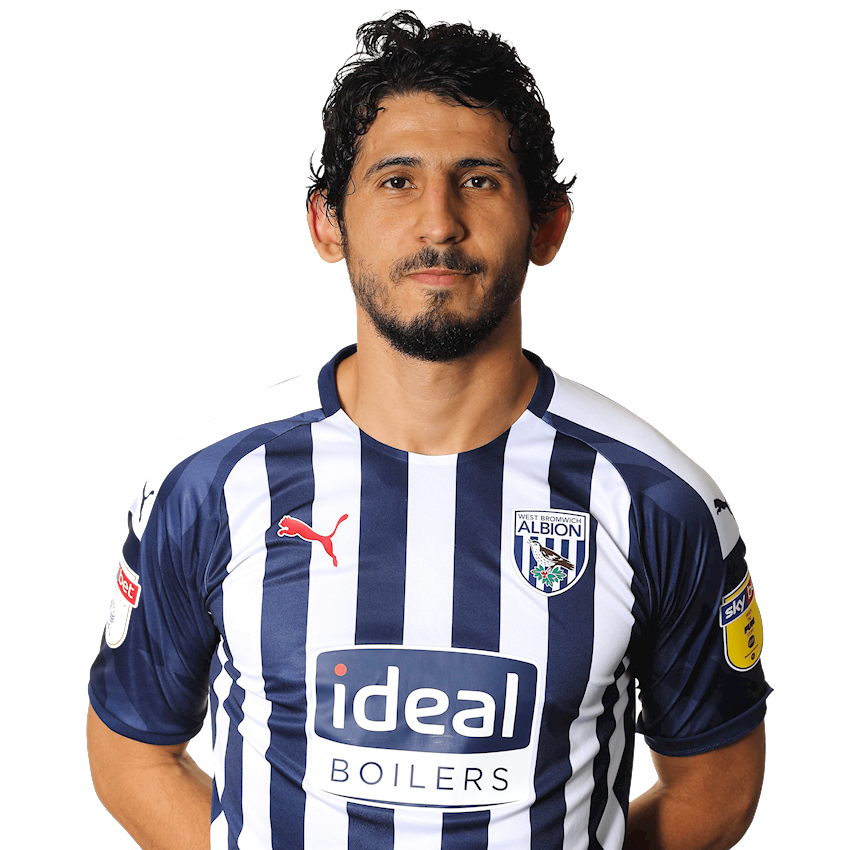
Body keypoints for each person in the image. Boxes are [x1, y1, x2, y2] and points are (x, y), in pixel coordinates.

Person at [86, 10, 771, 849]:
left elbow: (716, 789)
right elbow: (132, 751)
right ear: (327, 224)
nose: (439, 223)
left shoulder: (659, 499)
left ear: (549, 226)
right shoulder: (211, 483)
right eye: (397, 181)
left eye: (479, 180)